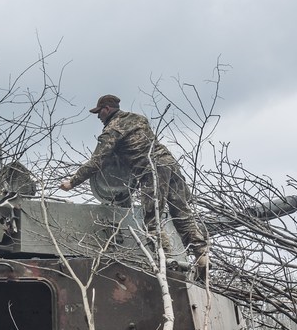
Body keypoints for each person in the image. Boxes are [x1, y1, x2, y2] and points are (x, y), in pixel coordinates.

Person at [59, 94, 208, 273]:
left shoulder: (112, 130)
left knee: (152, 219)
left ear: (106, 109)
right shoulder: (139, 119)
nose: (98, 117)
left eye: (99, 112)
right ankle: (202, 256)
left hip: (151, 170)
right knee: (182, 214)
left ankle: (166, 262)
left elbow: (97, 161)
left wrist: (72, 183)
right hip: (169, 163)